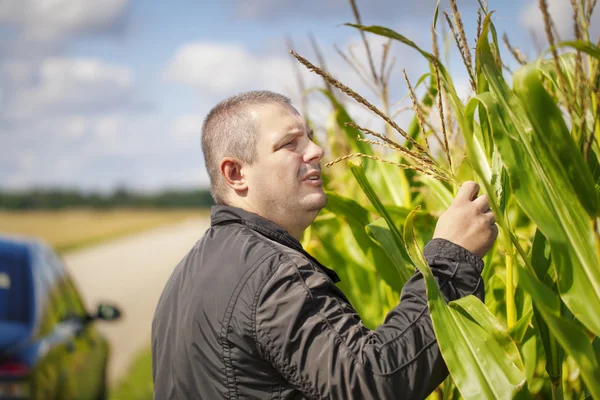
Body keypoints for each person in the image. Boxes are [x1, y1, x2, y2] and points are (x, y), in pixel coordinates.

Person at [151, 90, 498, 399]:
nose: (316, 151)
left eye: (311, 139)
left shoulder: (183, 279)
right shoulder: (271, 274)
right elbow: (372, 383)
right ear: (236, 174)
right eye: (290, 144)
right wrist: (451, 261)